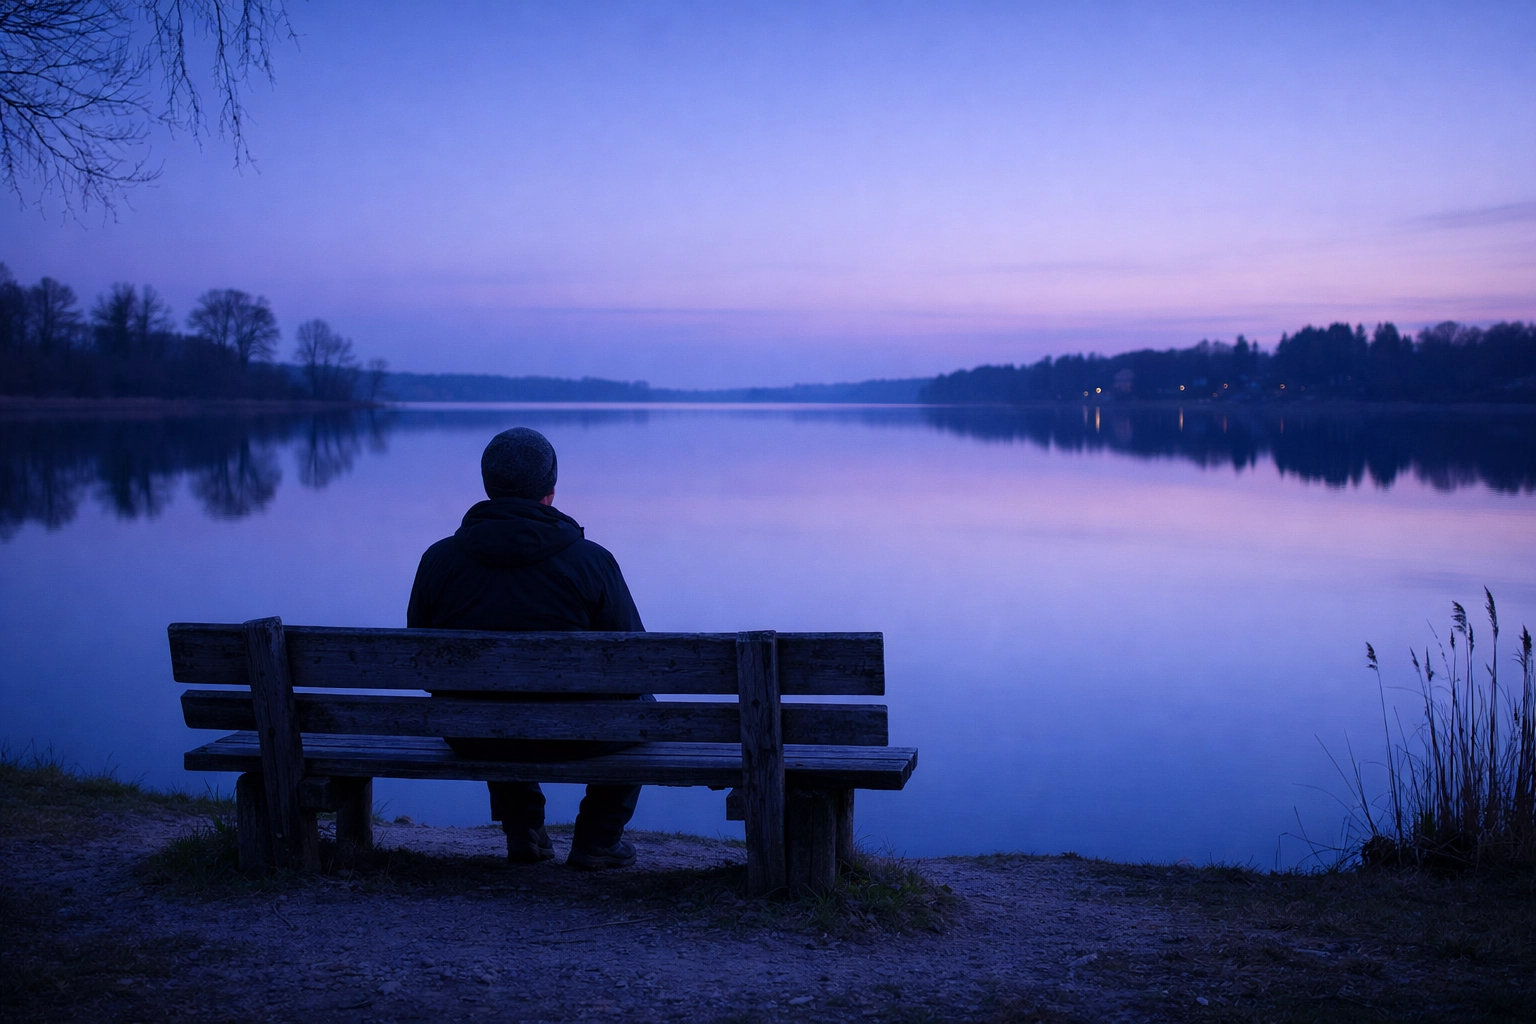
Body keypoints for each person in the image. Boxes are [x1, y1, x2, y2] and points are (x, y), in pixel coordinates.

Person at [407, 427, 645, 869]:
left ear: (487, 486)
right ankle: (598, 839)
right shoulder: (591, 562)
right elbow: (636, 664)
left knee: (488, 703)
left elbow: (424, 666)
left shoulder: (438, 561)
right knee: (643, 705)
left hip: (473, 735)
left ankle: (524, 831)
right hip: (578, 737)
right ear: (550, 490)